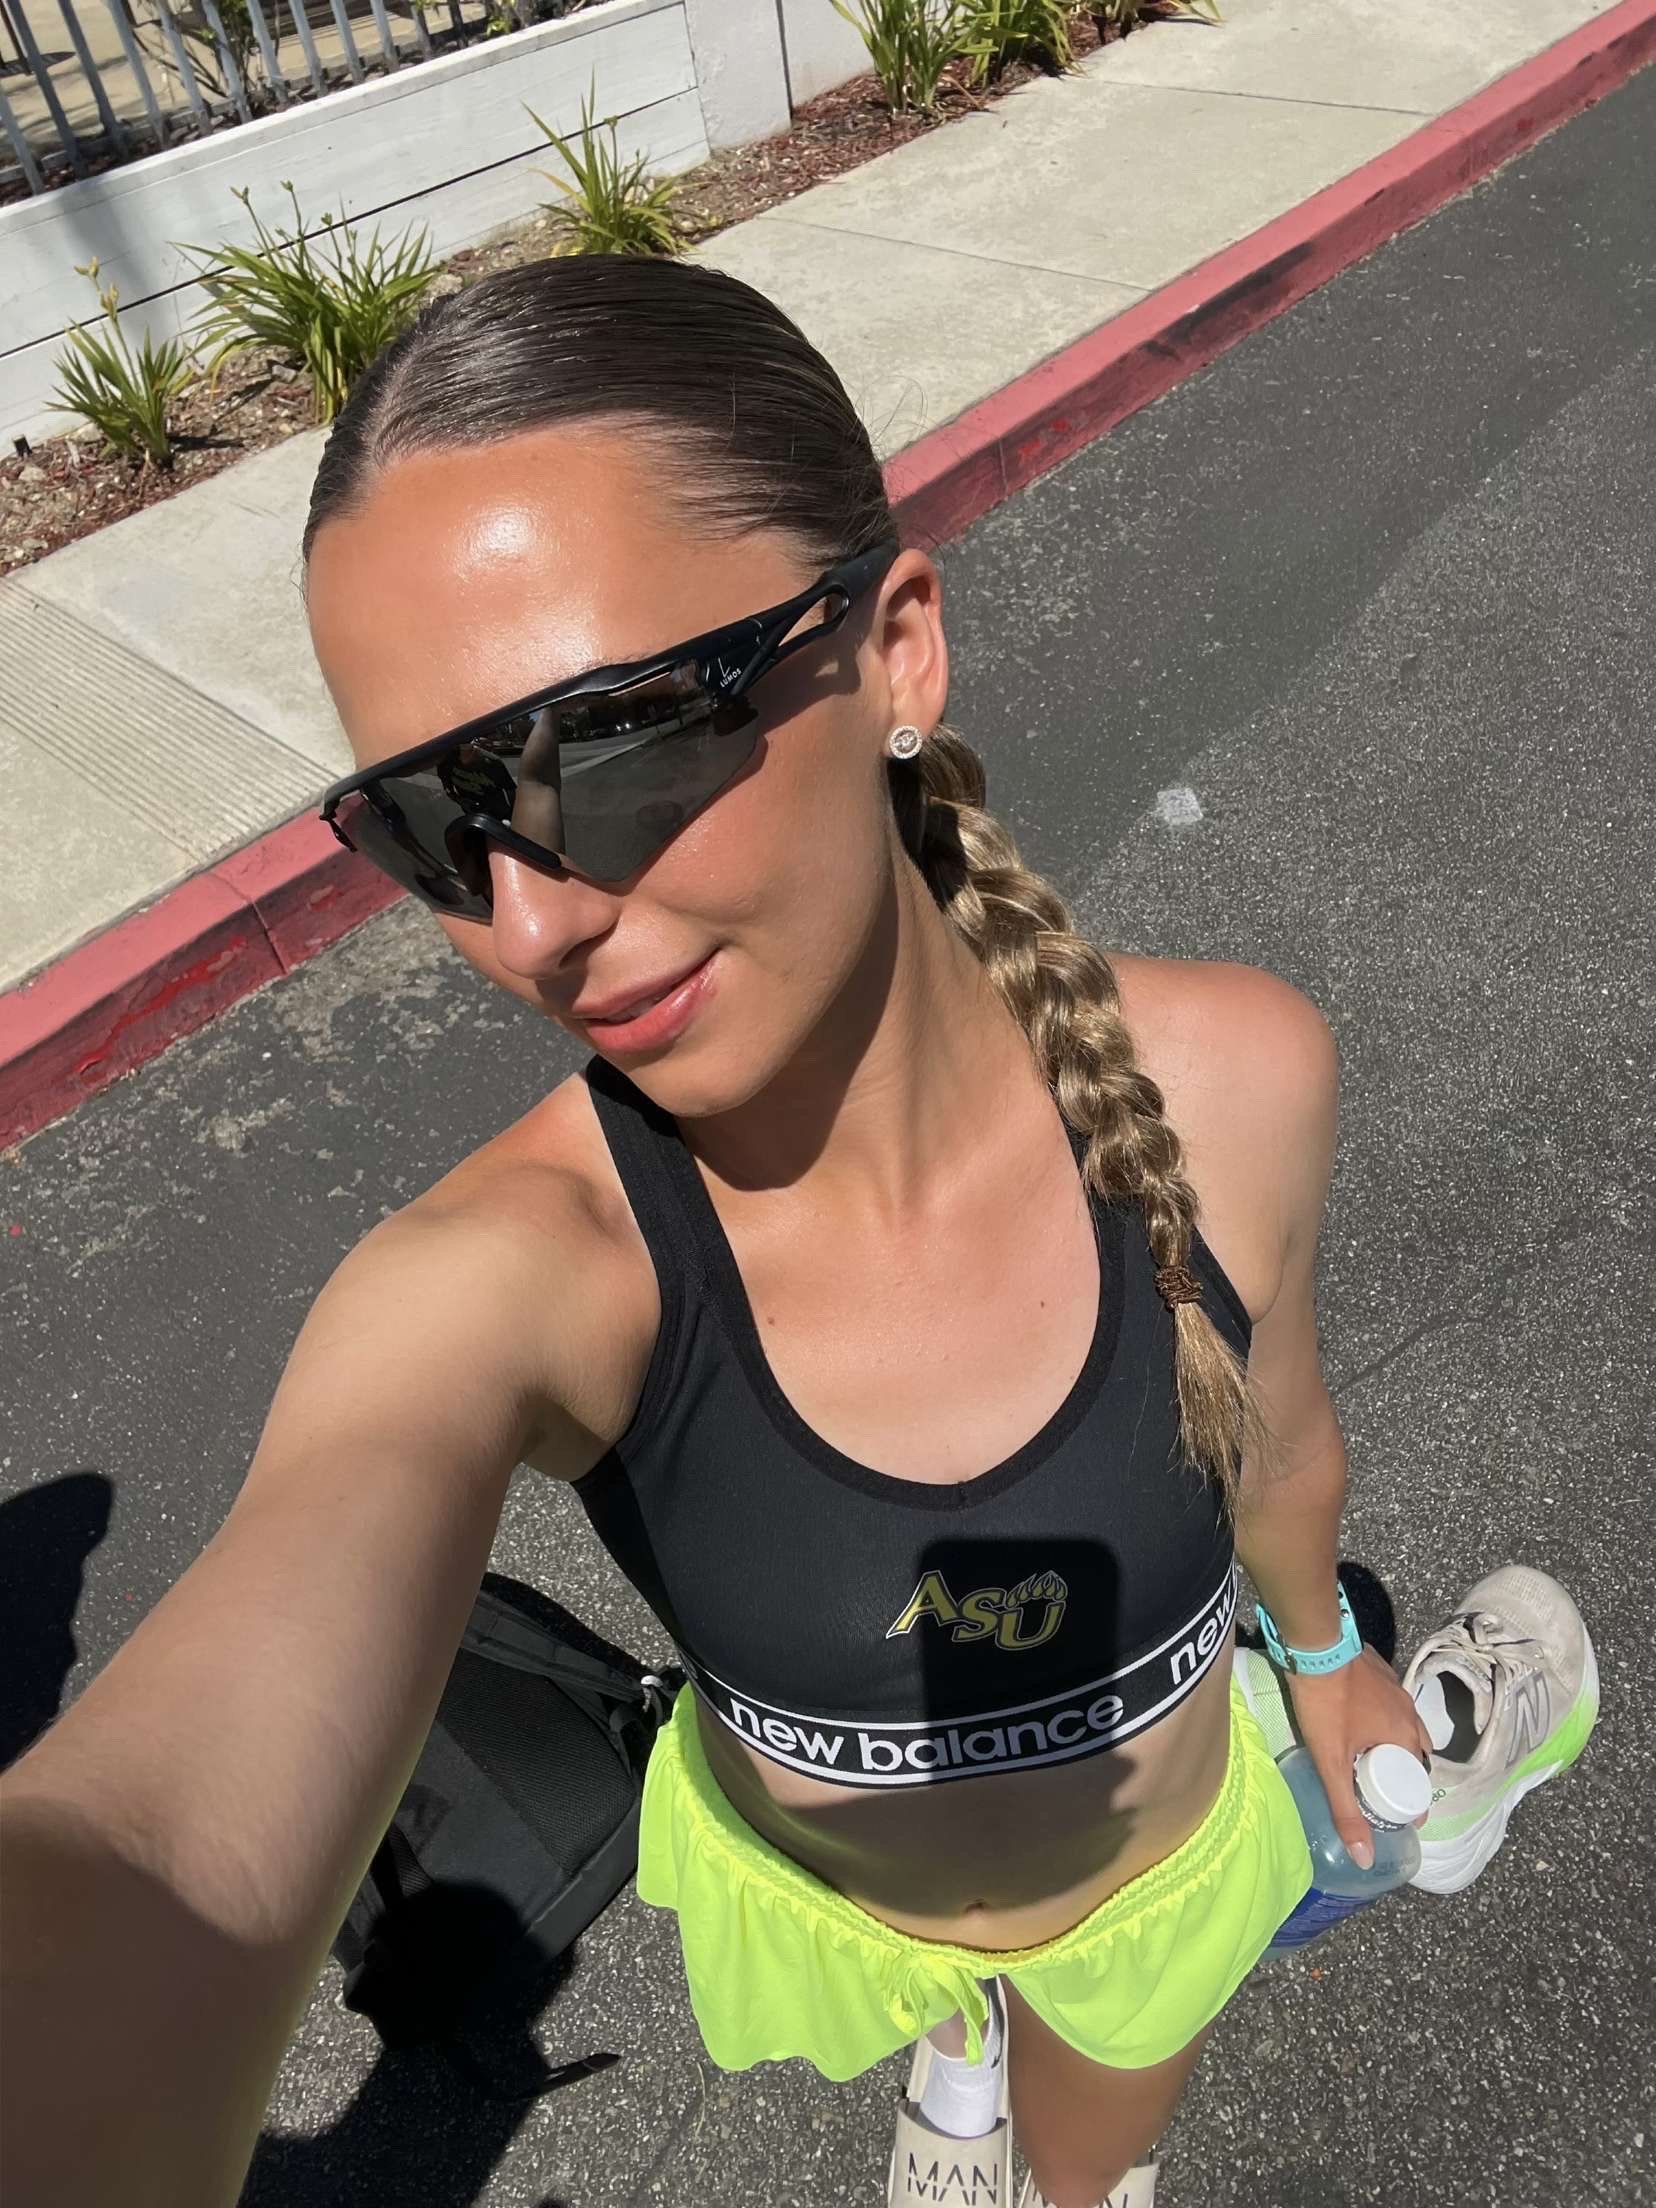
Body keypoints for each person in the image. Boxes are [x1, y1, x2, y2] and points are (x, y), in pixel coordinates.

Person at [0, 258, 1597, 2208]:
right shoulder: (512, 1279)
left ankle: (1210, 1954)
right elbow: (168, 1846)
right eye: (429, 833)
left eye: (605, 747)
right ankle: (961, 2048)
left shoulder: (1234, 1073)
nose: (525, 928)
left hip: (1149, 1882)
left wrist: (1330, 1646)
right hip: (831, 1905)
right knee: (966, 2022)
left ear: (897, 653)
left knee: (1092, 2156)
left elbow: (1280, 1428)